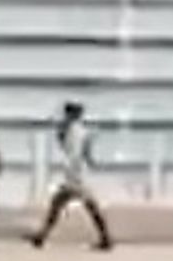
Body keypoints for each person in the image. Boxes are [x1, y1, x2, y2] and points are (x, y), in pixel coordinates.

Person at [26, 101, 114, 251]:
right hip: (78, 174)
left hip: (75, 175)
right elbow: (84, 151)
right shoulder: (79, 130)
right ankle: (41, 236)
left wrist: (74, 171)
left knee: (71, 204)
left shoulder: (74, 131)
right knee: (71, 204)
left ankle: (41, 236)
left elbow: (73, 152)